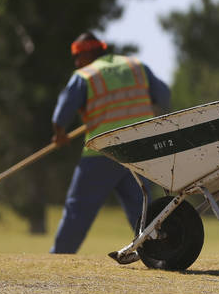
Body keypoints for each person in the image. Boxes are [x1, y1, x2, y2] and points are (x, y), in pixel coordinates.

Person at [49, 32, 171, 253]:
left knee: (77, 210)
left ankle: (59, 258)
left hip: (102, 153)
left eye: (78, 56)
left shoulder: (86, 75)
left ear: (89, 53)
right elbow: (163, 96)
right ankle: (159, 254)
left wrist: (59, 133)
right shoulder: (137, 66)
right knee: (143, 213)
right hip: (139, 153)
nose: (76, 62)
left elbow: (61, 114)